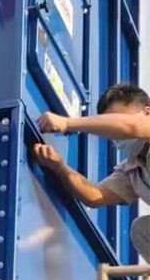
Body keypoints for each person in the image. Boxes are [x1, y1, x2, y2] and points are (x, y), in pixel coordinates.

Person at [32, 83, 150, 258]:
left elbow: (132, 127)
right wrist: (60, 167)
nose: (115, 134)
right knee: (141, 230)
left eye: (117, 120)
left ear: (147, 113)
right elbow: (95, 195)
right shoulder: (133, 171)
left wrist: (67, 123)